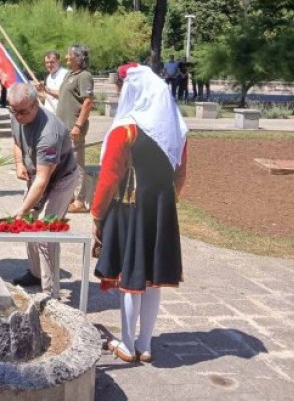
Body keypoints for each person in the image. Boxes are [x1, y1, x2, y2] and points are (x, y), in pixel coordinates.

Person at [92, 63, 188, 363]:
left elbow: (108, 177)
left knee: (130, 278)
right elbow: (181, 174)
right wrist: (165, 201)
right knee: (152, 278)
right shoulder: (177, 129)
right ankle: (145, 344)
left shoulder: (126, 129)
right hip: (161, 208)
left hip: (129, 208)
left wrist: (97, 215)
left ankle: (127, 344)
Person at [8, 83, 78, 297]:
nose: (18, 116)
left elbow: (43, 179)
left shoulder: (50, 132)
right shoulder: (16, 113)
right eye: (14, 111)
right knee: (29, 226)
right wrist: (19, 163)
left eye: (23, 112)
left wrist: (21, 210)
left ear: (36, 105)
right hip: (36, 174)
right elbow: (17, 141)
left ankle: (50, 293)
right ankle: (36, 274)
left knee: (46, 232)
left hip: (61, 179)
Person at [56, 45, 94, 214]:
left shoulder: (85, 76)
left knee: (77, 163)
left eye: (69, 54)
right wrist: (46, 91)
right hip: (63, 126)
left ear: (77, 58)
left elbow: (87, 101)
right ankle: (69, 196)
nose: (66, 57)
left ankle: (79, 200)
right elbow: (63, 95)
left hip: (74, 128)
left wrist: (78, 125)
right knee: (65, 162)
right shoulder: (69, 75)